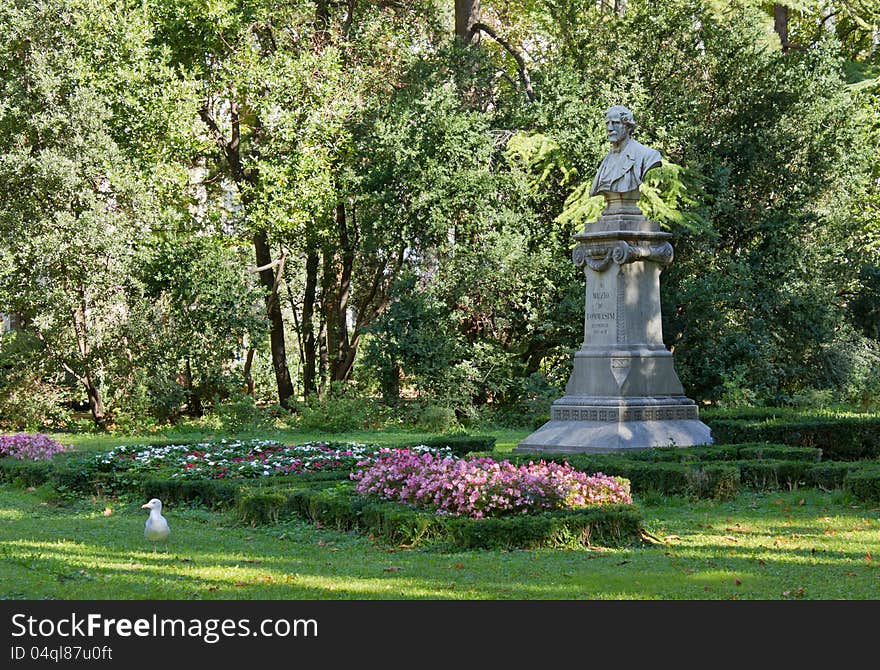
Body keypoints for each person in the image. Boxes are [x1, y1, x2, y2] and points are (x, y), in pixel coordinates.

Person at [590, 105, 662, 197]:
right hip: (609, 207)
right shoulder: (606, 160)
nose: (610, 128)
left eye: (615, 123)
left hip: (629, 206)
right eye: (607, 123)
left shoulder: (648, 155)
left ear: (628, 127)